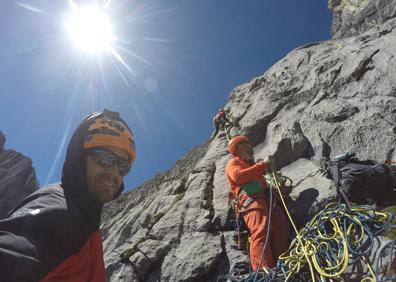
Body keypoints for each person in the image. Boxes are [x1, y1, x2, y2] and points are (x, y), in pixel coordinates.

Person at [0, 109, 136, 282]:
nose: (114, 171)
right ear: (80, 157)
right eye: (106, 159)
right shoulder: (59, 211)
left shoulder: (86, 217)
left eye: (123, 166)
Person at [225, 135, 289, 271]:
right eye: (246, 143)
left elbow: (264, 185)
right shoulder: (233, 163)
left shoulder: (252, 167)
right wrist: (263, 165)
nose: (250, 146)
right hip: (251, 200)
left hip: (267, 201)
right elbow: (239, 177)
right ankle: (264, 273)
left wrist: (279, 189)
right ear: (237, 147)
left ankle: (284, 269)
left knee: (280, 233)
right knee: (261, 230)